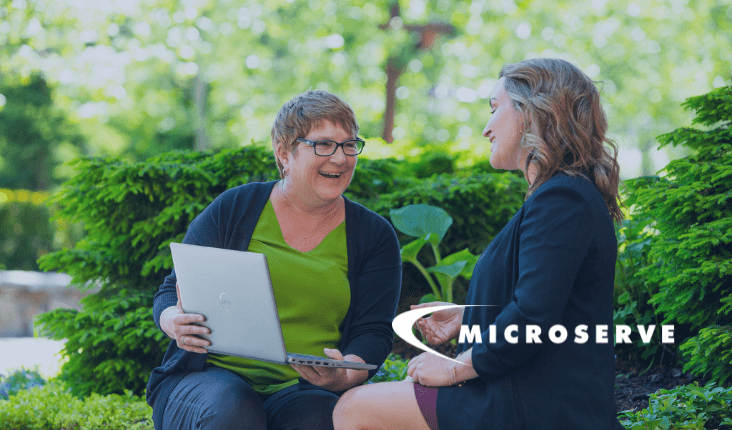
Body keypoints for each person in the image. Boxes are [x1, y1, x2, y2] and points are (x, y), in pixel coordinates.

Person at [332, 58, 626, 430]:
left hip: (533, 404)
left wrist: (455, 368)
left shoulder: (562, 200)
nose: (486, 128)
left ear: (531, 113)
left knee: (355, 408)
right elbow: (548, 301)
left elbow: (533, 319)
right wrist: (467, 317)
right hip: (523, 392)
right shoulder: (562, 196)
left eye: (494, 108)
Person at [145, 89, 402, 430]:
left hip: (304, 389)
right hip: (210, 378)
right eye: (323, 144)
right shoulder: (235, 208)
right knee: (234, 411)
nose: (340, 158)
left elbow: (373, 332)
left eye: (349, 144)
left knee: (320, 422)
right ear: (284, 153)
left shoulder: (375, 236)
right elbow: (170, 290)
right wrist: (172, 320)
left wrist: (343, 374)